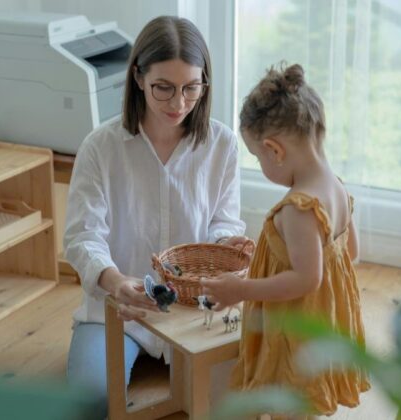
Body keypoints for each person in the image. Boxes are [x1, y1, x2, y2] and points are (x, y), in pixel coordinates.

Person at [63, 16, 248, 416]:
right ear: (138, 78)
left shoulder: (222, 144)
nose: (178, 103)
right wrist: (114, 281)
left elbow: (224, 222)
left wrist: (225, 248)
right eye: (163, 87)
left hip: (195, 311)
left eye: (191, 88)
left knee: (240, 399)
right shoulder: (101, 147)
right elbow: (82, 237)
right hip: (120, 312)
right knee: (89, 402)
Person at [201, 63, 370, 418]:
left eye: (257, 157)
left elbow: (308, 278)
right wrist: (273, 255)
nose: (262, 164)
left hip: (295, 336)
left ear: (274, 150)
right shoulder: (336, 187)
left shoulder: (298, 207)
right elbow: (349, 253)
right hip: (323, 326)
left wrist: (240, 290)